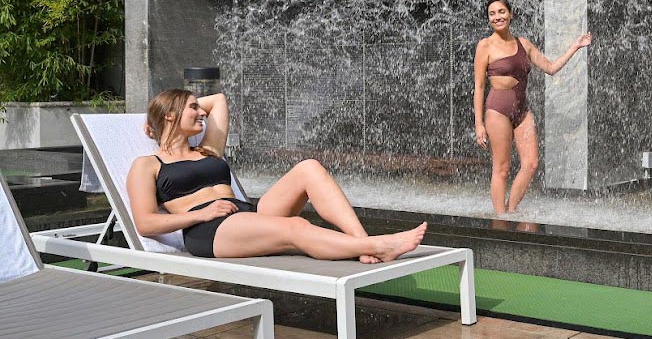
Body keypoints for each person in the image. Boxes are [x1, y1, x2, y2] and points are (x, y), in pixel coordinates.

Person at [125, 89, 426, 262]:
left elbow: (218, 100)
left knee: (309, 167)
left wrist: (179, 110)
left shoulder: (207, 150)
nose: (202, 113)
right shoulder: (147, 164)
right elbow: (145, 223)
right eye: (193, 108)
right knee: (294, 226)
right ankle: (377, 246)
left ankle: (363, 243)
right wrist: (201, 216)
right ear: (170, 115)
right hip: (209, 230)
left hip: (245, 216)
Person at [473, 0, 592, 214]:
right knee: (502, 168)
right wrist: (478, 124)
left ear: (510, 14)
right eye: (492, 14)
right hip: (497, 110)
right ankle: (500, 222)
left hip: (522, 111)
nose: (497, 17)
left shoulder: (523, 44)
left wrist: (576, 46)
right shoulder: (485, 46)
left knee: (531, 164)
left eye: (501, 12)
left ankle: (509, 211)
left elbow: (551, 67)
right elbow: (479, 87)